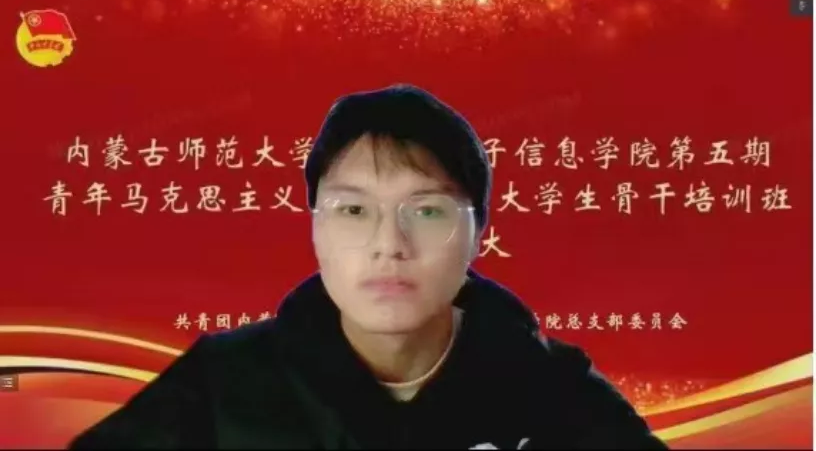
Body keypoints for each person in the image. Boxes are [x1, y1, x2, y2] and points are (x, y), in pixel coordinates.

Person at [69, 84, 668, 449]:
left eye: (427, 211)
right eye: (354, 210)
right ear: (315, 228)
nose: (389, 244)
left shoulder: (551, 388)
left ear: (479, 232)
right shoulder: (223, 384)